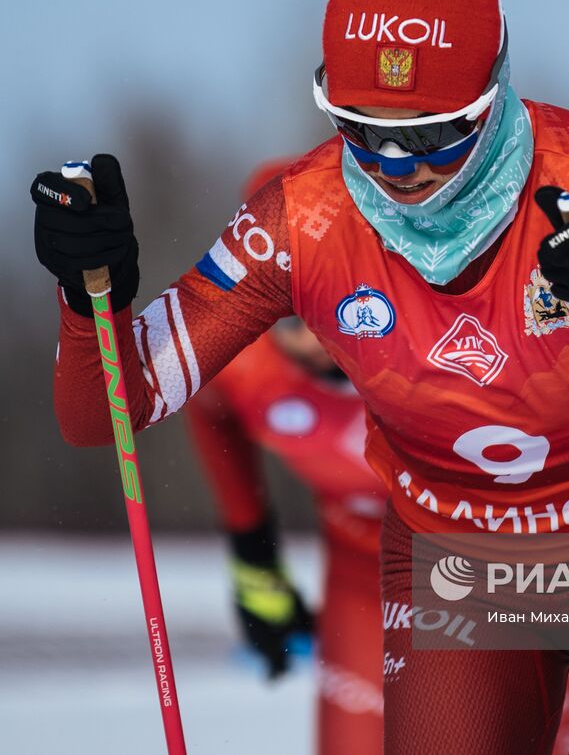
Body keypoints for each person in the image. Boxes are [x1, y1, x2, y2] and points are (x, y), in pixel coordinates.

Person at [33, 0, 569, 754]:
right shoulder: (303, 219)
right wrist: (88, 298)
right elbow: (104, 411)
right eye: (361, 132)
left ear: (493, 95)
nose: (397, 170)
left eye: (430, 135)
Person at [186, 159, 386, 754]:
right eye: (286, 310)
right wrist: (254, 556)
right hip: (361, 564)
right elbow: (211, 410)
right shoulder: (243, 368)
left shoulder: (425, 347)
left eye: (329, 298)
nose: (313, 333)